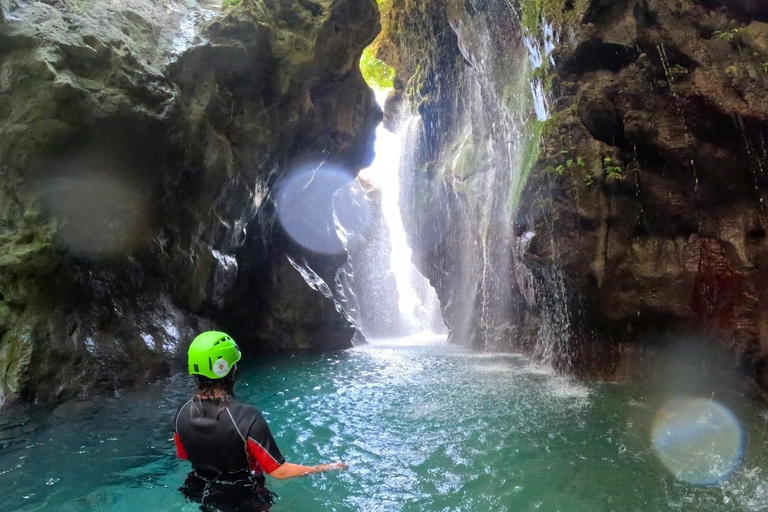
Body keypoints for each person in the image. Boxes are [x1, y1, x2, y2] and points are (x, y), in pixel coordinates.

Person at [173, 331, 347, 511]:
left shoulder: (181, 413)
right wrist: (326, 468)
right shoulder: (247, 417)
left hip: (198, 492)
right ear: (229, 370)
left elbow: (183, 456)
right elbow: (280, 471)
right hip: (244, 496)